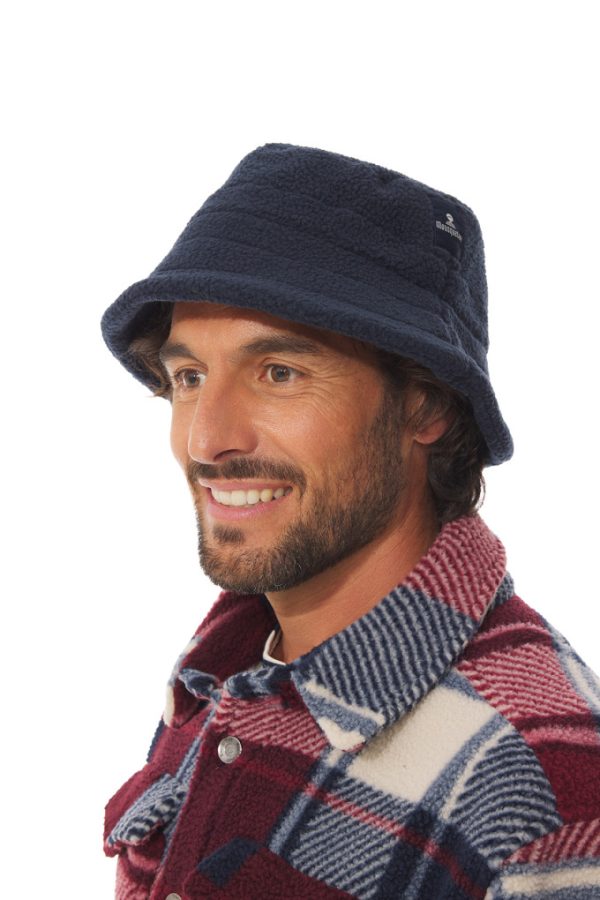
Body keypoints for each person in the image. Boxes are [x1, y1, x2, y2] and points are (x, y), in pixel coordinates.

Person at [101, 144, 600, 899]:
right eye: (189, 377)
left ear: (426, 405)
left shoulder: (544, 788)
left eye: (279, 373)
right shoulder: (224, 671)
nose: (206, 439)